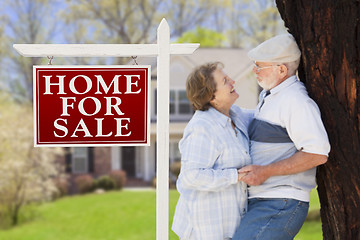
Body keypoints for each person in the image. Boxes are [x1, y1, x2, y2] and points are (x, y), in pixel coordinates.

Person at [232, 33, 331, 240]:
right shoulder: (269, 96)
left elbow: (317, 153)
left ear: (282, 70)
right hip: (264, 200)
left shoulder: (296, 102)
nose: (254, 71)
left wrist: (266, 171)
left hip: (281, 202)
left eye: (260, 66)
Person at [172, 62, 253, 240]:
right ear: (211, 96)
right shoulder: (203, 127)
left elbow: (266, 115)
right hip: (206, 229)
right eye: (225, 80)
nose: (233, 81)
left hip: (230, 226)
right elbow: (191, 176)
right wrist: (236, 176)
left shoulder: (236, 116)